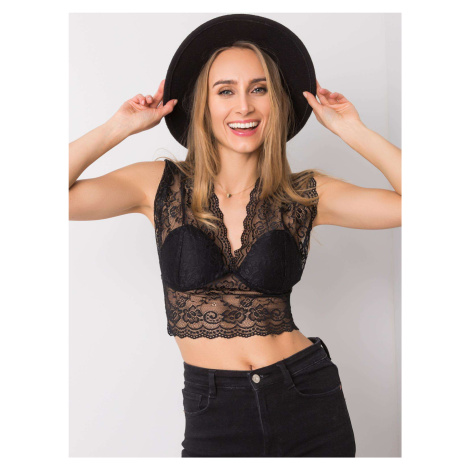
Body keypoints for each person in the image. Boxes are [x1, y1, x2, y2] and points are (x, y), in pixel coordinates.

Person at [69, 14, 401, 458]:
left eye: (259, 89)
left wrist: (351, 130)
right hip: (214, 409)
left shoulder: (304, 194)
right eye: (225, 91)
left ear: (276, 102)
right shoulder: (156, 185)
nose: (244, 106)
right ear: (202, 105)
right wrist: (118, 127)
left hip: (305, 396)